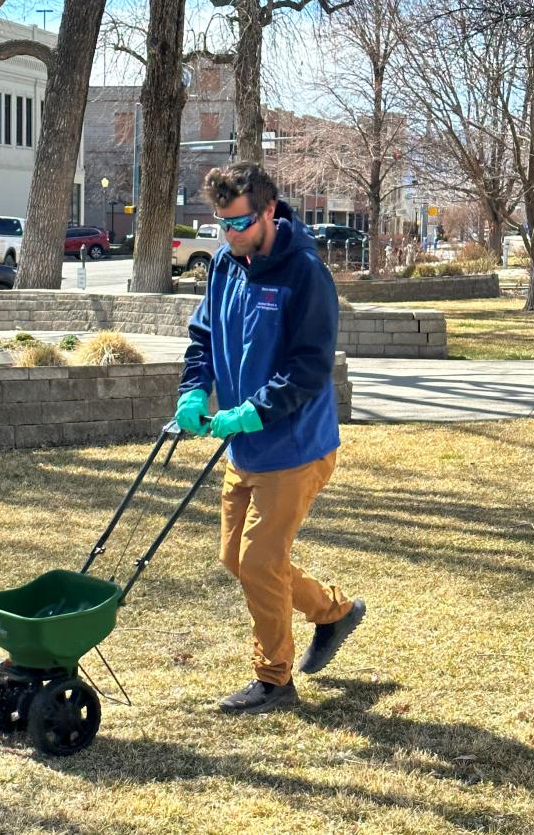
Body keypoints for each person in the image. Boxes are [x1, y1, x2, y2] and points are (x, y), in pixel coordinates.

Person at [175, 162, 366, 715]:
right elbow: (203, 336)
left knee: (260, 562)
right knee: (236, 558)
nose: (227, 236)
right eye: (219, 225)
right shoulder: (225, 267)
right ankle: (333, 612)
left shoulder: (304, 273)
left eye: (237, 224)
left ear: (266, 213)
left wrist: (249, 414)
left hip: (296, 447)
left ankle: (273, 680)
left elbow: (309, 370)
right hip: (246, 447)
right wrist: (195, 391)